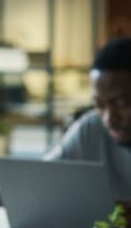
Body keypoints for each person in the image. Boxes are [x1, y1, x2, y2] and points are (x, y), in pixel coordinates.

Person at [46, 37, 131, 202]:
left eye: (121, 103)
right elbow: (42, 179)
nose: (109, 118)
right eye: (99, 105)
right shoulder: (90, 128)